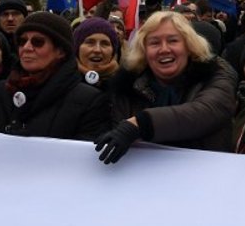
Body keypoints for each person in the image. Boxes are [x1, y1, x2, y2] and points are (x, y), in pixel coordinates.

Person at [96, 12, 237, 164]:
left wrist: (141, 124)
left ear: (189, 46)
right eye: (154, 43)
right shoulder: (126, 88)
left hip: (205, 177)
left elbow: (205, 112)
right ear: (144, 51)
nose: (164, 49)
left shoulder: (217, 75)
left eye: (173, 41)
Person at [0, 13, 108, 140]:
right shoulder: (0, 92)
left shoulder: (88, 100)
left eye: (37, 42)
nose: (27, 47)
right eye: (22, 41)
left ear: (60, 51)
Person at [73, 17, 120, 90]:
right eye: (90, 42)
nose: (97, 50)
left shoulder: (125, 86)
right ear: (77, 48)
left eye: (105, 44)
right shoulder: (63, 82)